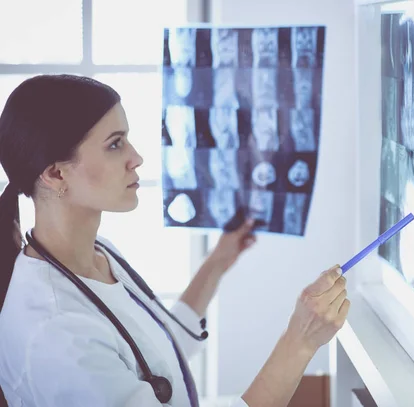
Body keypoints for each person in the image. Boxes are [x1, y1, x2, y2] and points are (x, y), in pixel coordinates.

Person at [0, 75, 350, 407]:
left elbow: (157, 353)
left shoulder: (97, 255)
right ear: (56, 174)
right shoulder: (58, 334)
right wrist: (300, 341)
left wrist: (217, 262)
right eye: (115, 144)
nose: (136, 158)